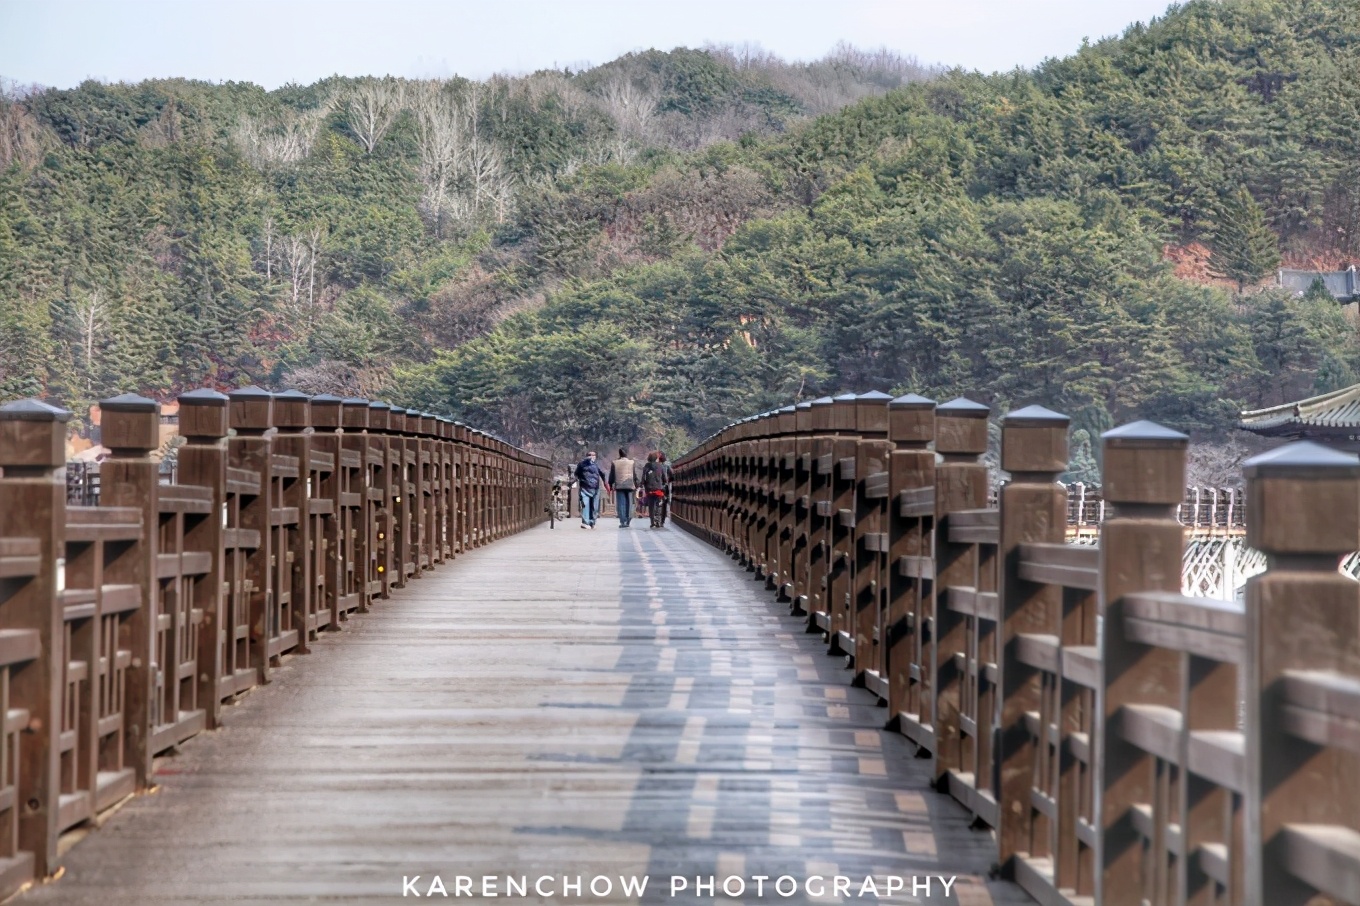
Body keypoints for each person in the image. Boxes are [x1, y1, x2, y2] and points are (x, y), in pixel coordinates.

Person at [574, 451, 606, 529]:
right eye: (590, 455)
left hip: (591, 487)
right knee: (589, 506)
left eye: (593, 455)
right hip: (589, 487)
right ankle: (588, 522)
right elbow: (603, 473)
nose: (592, 457)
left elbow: (576, 474)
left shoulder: (584, 464)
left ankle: (589, 522)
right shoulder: (589, 464)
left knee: (590, 506)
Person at [608, 447, 636, 528]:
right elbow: (634, 475)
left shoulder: (615, 462)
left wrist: (610, 484)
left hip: (619, 486)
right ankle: (628, 518)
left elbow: (612, 475)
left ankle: (623, 521)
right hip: (630, 485)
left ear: (619, 453)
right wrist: (637, 484)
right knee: (629, 503)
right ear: (626, 453)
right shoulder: (632, 462)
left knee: (621, 504)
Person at [642, 452, 668, 528]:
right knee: (658, 505)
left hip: (649, 490)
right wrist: (663, 484)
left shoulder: (646, 466)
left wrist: (642, 485)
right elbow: (665, 478)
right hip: (659, 490)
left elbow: (643, 478)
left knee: (651, 506)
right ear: (656, 458)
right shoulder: (660, 466)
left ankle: (652, 522)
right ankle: (658, 521)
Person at [656, 451, 674, 526]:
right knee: (664, 504)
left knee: (656, 503)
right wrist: (667, 481)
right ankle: (662, 521)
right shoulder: (667, 467)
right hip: (664, 488)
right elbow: (672, 477)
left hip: (656, 487)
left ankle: (656, 519)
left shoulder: (655, 466)